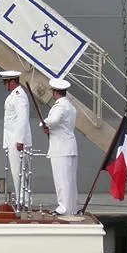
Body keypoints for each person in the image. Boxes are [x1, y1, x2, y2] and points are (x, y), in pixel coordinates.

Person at [41, 77, 78, 216]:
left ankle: (63, 208)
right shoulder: (71, 106)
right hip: (69, 146)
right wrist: (50, 128)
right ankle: (72, 208)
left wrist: (44, 124)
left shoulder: (60, 106)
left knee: (62, 179)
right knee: (70, 180)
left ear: (55, 92)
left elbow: (54, 120)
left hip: (60, 148)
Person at [0, 70, 32, 204]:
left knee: (20, 173)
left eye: (5, 82)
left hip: (17, 141)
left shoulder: (18, 96)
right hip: (13, 139)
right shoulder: (15, 95)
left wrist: (20, 140)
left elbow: (22, 118)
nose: (4, 85)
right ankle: (21, 199)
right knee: (17, 172)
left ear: (12, 82)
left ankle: (23, 200)